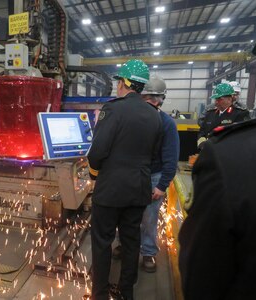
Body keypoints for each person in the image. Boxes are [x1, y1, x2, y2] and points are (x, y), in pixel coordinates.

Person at [87, 59, 162, 300]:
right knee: (131, 242)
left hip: (110, 191)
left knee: (102, 242)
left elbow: (97, 152)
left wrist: (93, 173)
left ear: (125, 83)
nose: (117, 85)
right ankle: (125, 292)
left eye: (119, 81)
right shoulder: (155, 115)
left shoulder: (113, 109)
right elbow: (153, 153)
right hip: (139, 188)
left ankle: (99, 293)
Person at [178, 117, 256, 300]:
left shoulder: (227, 156)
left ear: (231, 98)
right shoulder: (210, 116)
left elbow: (201, 269)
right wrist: (202, 143)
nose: (219, 101)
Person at [139, 75, 180, 272]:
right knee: (127, 215)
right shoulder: (133, 121)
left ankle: (148, 252)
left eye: (153, 99)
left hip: (153, 177)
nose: (150, 103)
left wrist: (162, 185)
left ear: (160, 100)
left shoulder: (166, 124)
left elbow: (171, 159)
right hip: (132, 176)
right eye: (146, 98)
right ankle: (124, 244)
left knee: (149, 218)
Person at [197, 82, 250, 149]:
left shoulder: (240, 114)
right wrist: (202, 144)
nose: (216, 102)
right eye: (216, 99)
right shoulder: (209, 113)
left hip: (229, 152)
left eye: (220, 99)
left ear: (229, 99)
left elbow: (244, 135)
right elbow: (202, 132)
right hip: (210, 152)